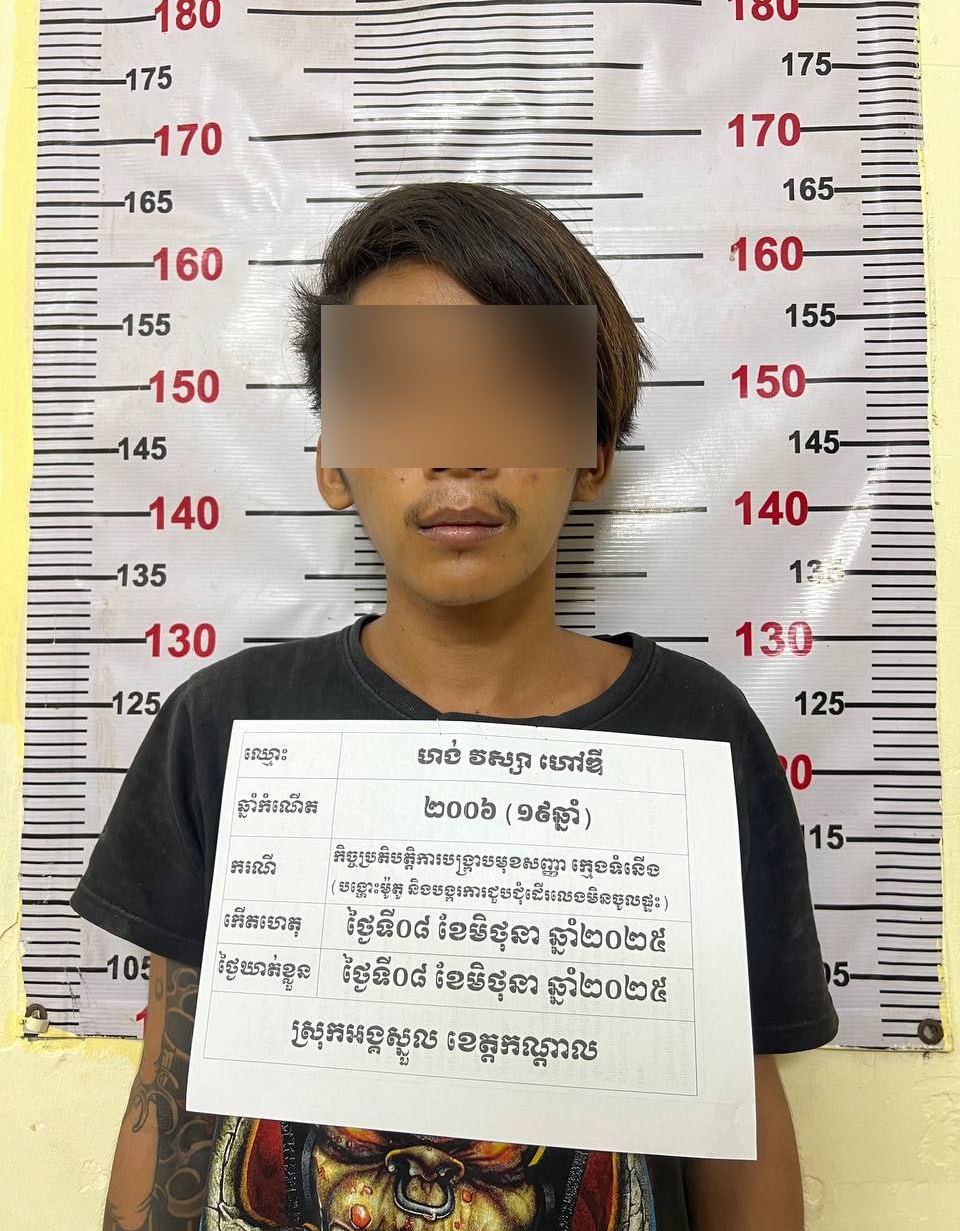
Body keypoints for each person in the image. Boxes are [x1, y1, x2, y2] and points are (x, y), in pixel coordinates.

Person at [71, 181, 838, 1231]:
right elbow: (167, 1086)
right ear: (333, 461)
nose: (459, 449)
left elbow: (740, 1117)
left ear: (594, 454)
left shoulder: (699, 734)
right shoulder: (223, 725)